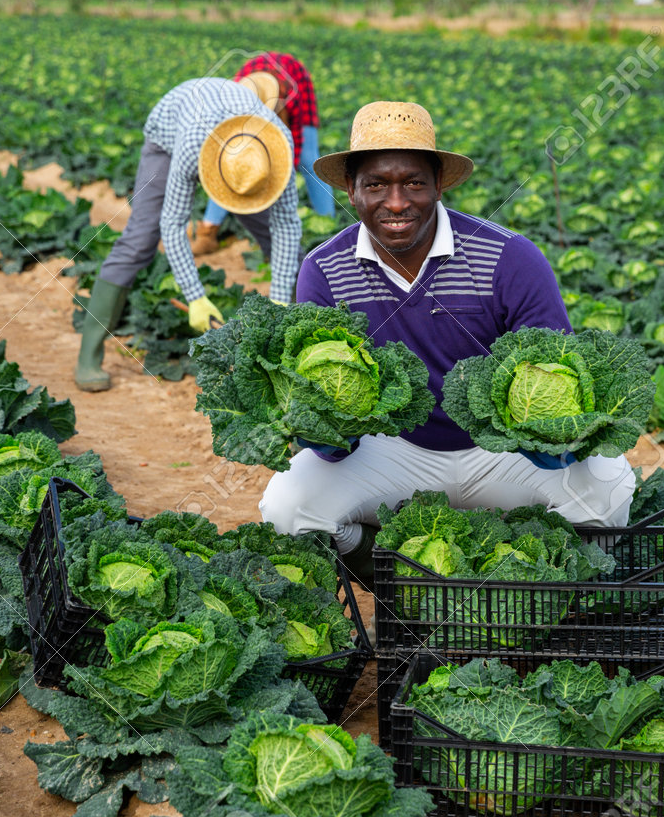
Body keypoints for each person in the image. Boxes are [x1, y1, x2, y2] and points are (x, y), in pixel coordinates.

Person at [259, 101, 635, 581]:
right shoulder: (325, 269)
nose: (396, 202)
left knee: (608, 490)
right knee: (287, 507)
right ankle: (387, 572)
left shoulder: (509, 257)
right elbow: (310, 379)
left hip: (502, 454)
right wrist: (327, 432)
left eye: (413, 182)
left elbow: (556, 362)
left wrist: (552, 438)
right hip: (391, 450)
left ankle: (534, 576)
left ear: (439, 185)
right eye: (375, 184)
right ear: (351, 192)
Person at [75, 74, 301, 393]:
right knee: (140, 239)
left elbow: (288, 225)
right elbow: (173, 224)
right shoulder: (191, 143)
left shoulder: (279, 143)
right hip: (168, 136)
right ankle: (88, 355)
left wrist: (279, 297)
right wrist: (196, 297)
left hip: (234, 143)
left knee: (271, 232)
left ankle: (293, 334)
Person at [191, 52, 335, 255]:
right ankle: (208, 231)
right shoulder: (235, 99)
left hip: (295, 82)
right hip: (254, 80)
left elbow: (290, 157)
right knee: (231, 160)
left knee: (308, 159)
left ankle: (330, 229)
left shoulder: (291, 98)